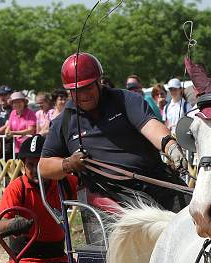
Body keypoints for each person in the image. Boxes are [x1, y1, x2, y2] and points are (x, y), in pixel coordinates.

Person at [40, 52, 189, 213]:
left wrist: (170, 146)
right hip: (110, 197)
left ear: (99, 81)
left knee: (198, 216)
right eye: (77, 90)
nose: (83, 94)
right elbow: (44, 166)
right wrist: (68, 163)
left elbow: (151, 126)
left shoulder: (125, 100)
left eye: (88, 86)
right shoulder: (63, 121)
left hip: (155, 180)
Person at [0, 134, 77, 263]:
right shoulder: (16, 188)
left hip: (61, 259)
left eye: (40, 164)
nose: (36, 170)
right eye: (30, 165)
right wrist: (13, 223)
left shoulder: (64, 183)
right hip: (26, 262)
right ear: (23, 166)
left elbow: (91, 196)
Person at [0, 85, 14, 160]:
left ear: (10, 96)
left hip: (12, 141)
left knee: (14, 168)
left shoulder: (13, 109)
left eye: (5, 95)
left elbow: (6, 126)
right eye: (0, 95)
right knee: (3, 168)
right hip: (2, 142)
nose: (2, 97)